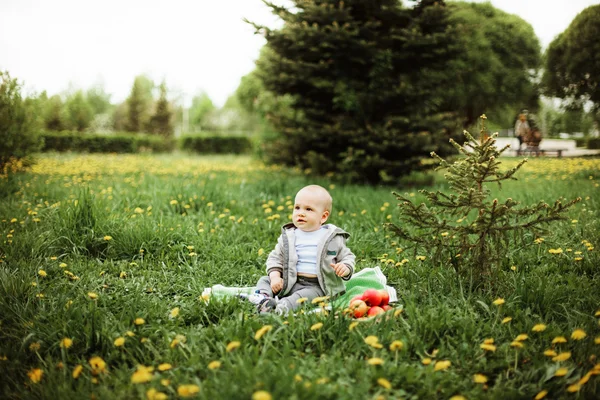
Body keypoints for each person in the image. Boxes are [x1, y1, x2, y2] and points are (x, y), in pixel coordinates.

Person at [249, 184, 356, 315]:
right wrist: (276, 277)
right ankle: (263, 298)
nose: (301, 213)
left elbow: (347, 256)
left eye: (308, 209)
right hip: (289, 281)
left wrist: (345, 267)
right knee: (265, 280)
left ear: (323, 217)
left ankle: (281, 307)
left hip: (316, 285)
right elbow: (275, 258)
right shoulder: (289, 236)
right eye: (297, 207)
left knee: (302, 297)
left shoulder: (332, 238)